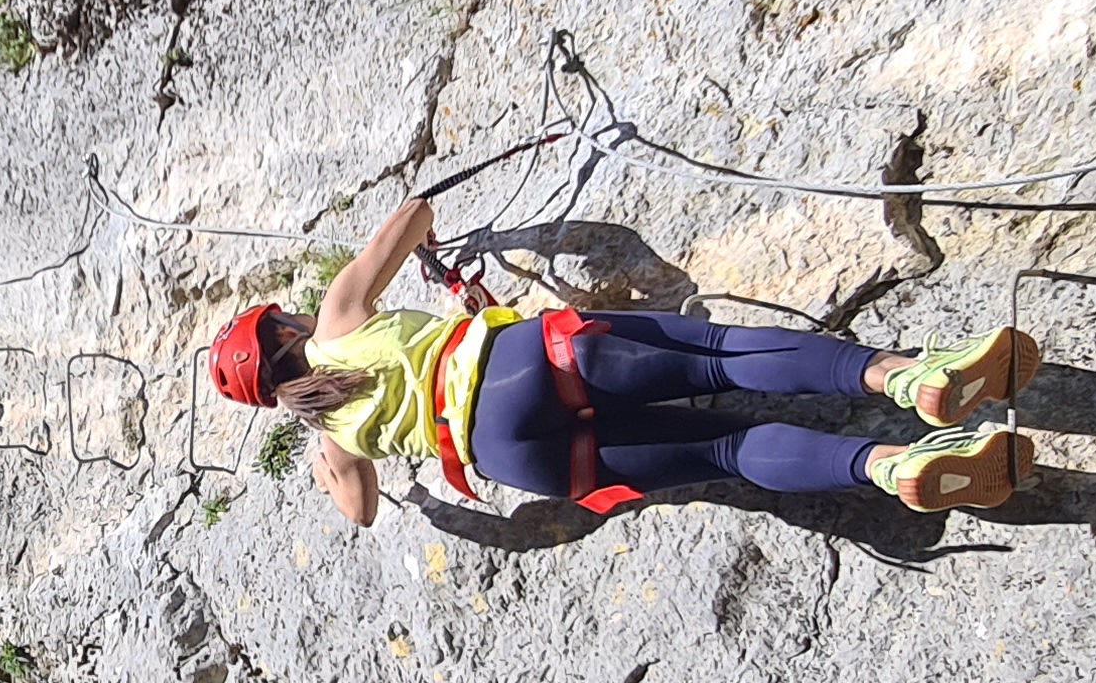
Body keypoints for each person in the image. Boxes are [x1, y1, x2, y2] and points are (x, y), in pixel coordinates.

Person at [201, 197, 1037, 524]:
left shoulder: (333, 443)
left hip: (511, 455)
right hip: (525, 362)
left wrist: (329, 466)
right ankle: (910, 380)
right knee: (720, 358)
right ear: (283, 333)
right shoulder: (343, 314)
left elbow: (361, 514)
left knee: (727, 451)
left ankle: (892, 468)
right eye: (285, 317)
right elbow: (414, 215)